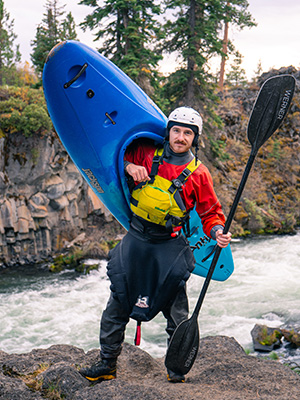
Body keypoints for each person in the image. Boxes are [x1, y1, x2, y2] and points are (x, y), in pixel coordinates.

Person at [79, 106, 231, 383]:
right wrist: (129, 166)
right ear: (168, 131)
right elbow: (113, 160)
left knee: (176, 313)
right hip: (136, 240)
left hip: (169, 246)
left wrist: (218, 230)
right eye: (177, 130)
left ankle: (176, 369)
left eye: (188, 133)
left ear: (194, 138)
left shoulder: (199, 174)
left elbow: (210, 212)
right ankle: (106, 364)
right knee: (117, 304)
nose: (181, 137)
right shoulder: (147, 154)